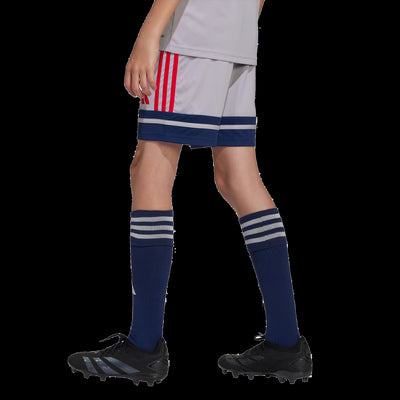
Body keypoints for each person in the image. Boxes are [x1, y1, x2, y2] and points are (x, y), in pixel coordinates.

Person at [68, 0, 312, 386]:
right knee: (238, 179)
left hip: (192, 35)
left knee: (149, 172)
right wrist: (236, 25)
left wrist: (149, 33)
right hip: (236, 36)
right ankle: (286, 342)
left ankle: (143, 348)